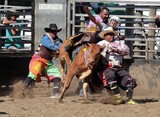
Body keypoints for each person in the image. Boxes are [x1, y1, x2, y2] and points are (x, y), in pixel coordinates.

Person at [97, 27, 138, 105]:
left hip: (119, 67)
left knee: (129, 80)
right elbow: (95, 51)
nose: (111, 36)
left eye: (112, 34)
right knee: (111, 77)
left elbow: (127, 51)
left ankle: (129, 99)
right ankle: (117, 98)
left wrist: (117, 50)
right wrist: (105, 50)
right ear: (105, 36)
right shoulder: (101, 44)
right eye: (109, 35)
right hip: (107, 67)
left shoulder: (119, 43)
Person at [23, 23, 63, 99]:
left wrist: (62, 49)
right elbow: (49, 45)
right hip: (38, 59)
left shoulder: (58, 41)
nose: (54, 33)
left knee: (57, 74)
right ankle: (23, 89)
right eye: (52, 31)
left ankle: (55, 94)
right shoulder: (45, 37)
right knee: (34, 72)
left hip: (48, 62)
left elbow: (62, 46)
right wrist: (59, 49)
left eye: (55, 31)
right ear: (49, 31)